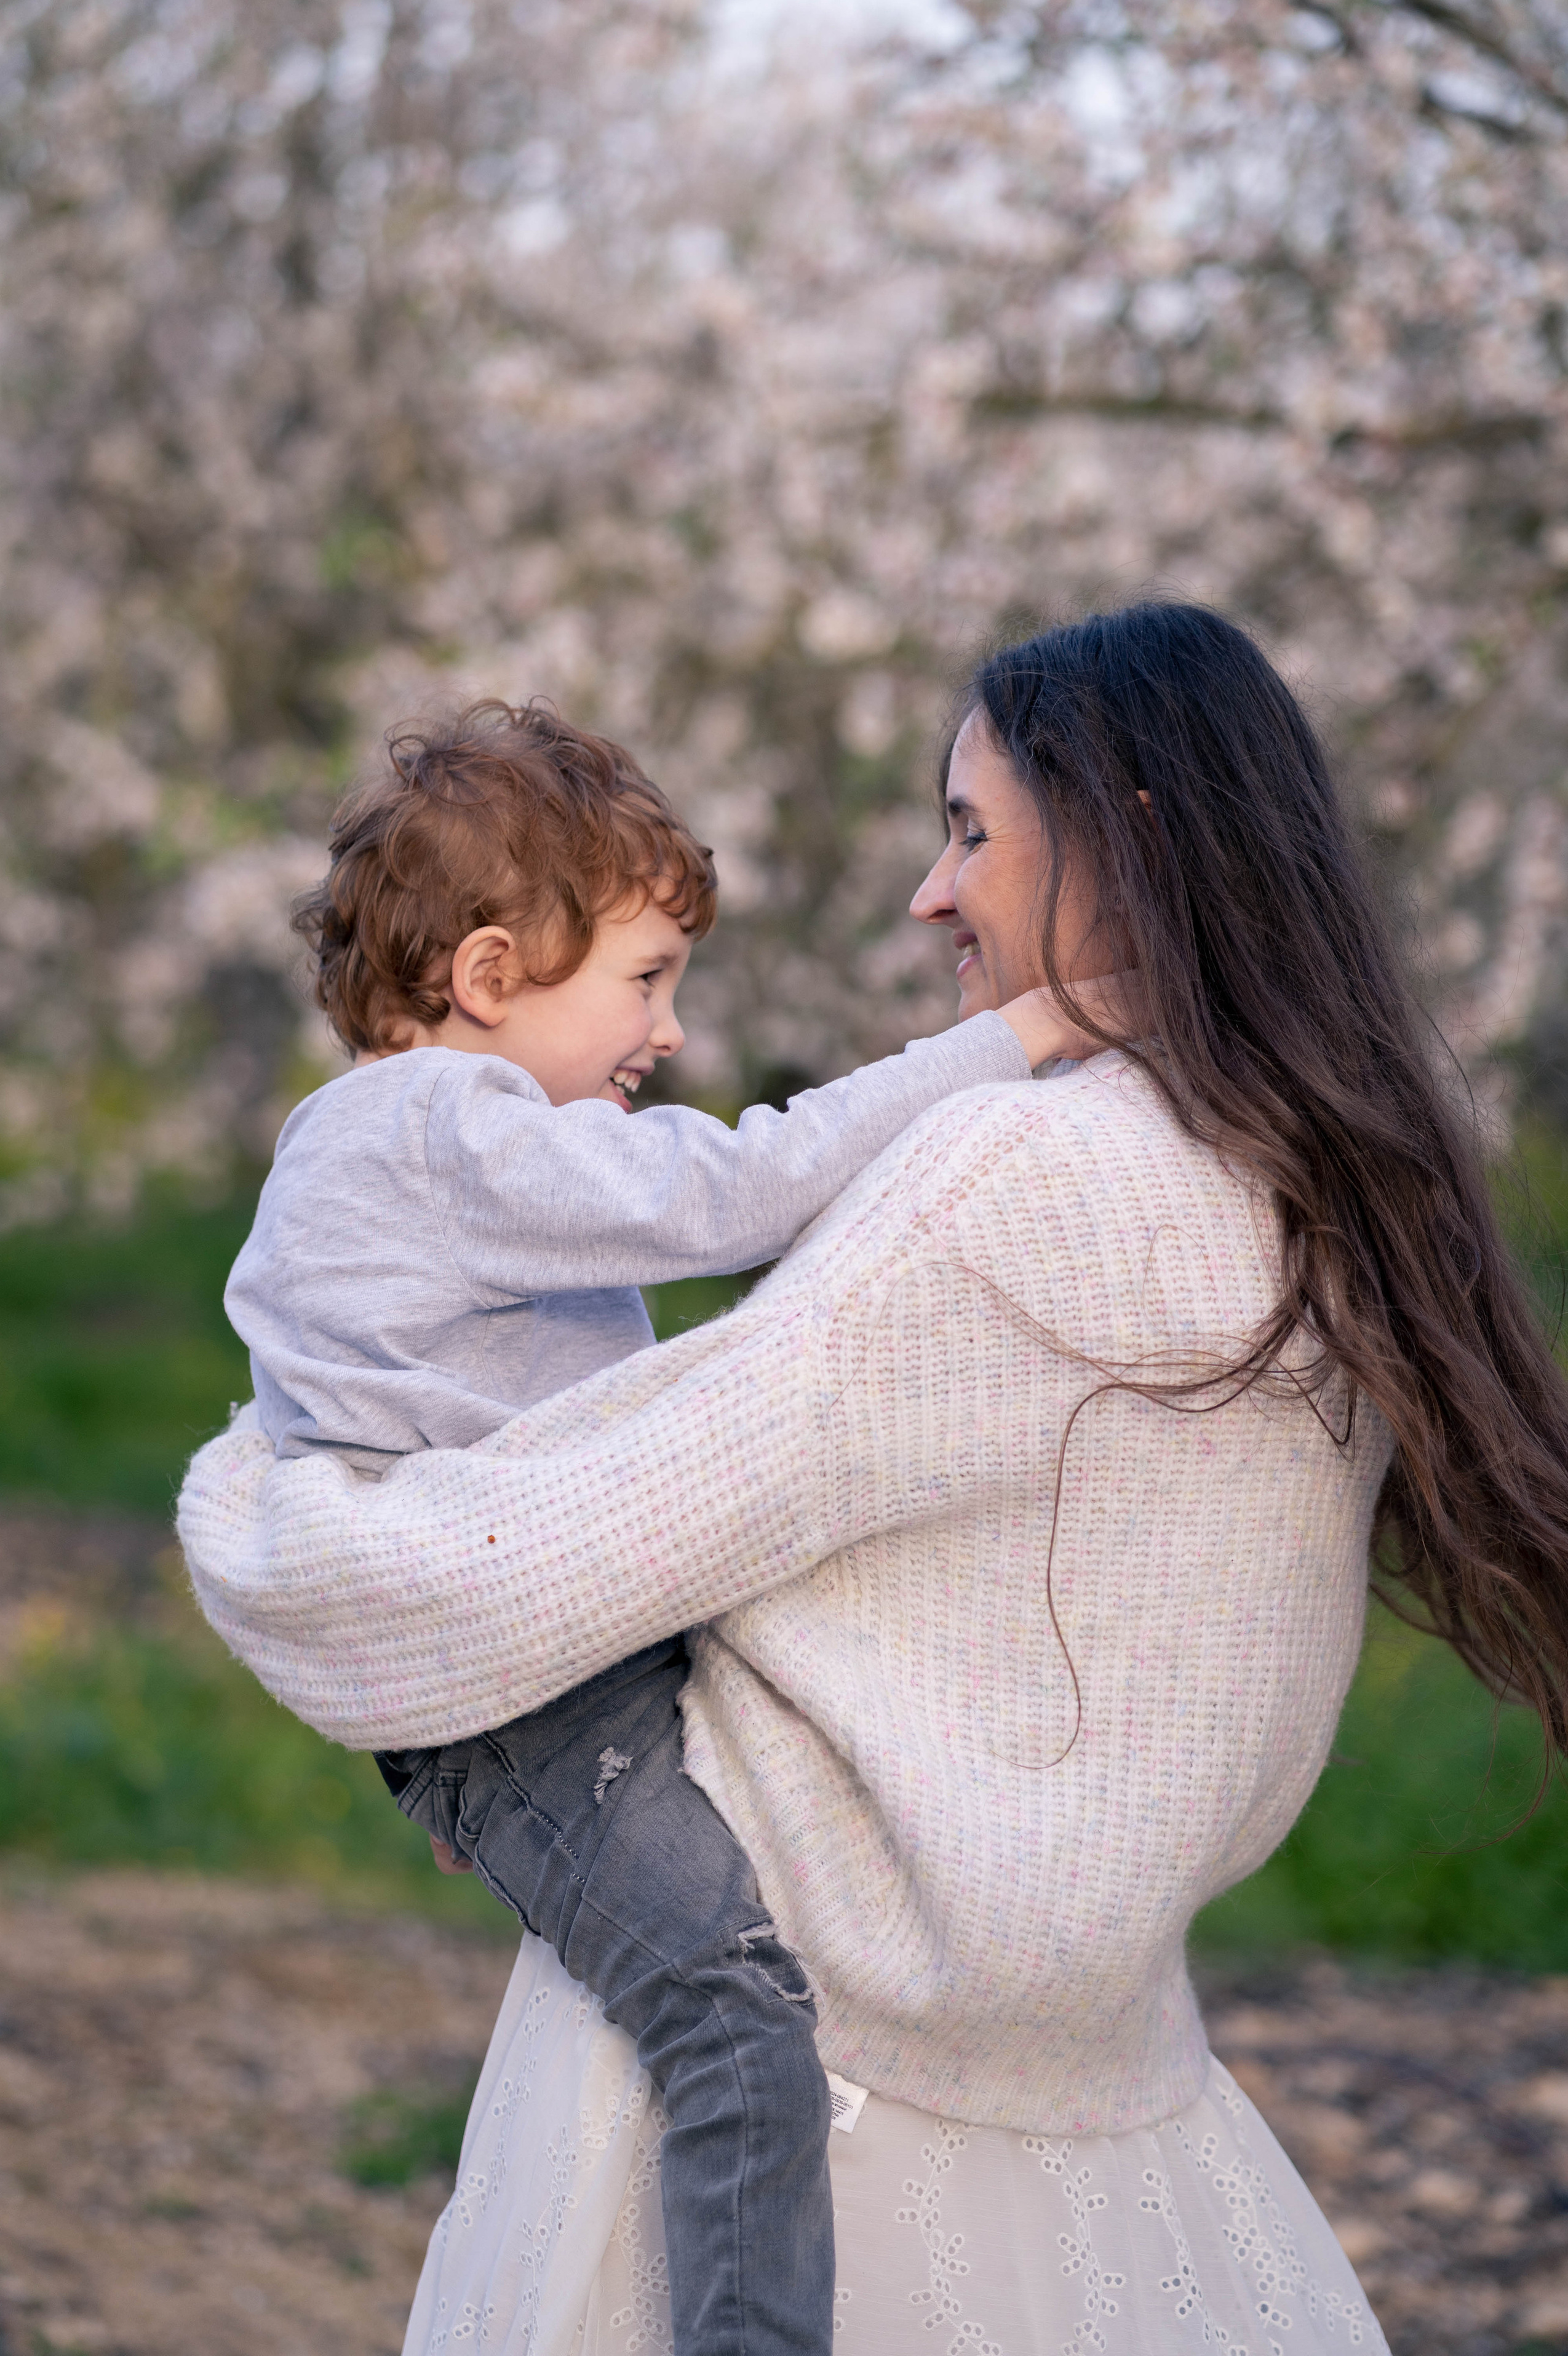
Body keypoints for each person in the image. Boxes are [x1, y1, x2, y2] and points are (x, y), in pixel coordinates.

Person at [181, 603, 1568, 2352]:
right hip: (1101, 2082)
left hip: (851, 2082)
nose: (928, 893)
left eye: (972, 830)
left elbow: (591, 1540)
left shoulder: (1018, 1177)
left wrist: (255, 1511)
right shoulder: (1317, 1192)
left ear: (1125, 840)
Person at [218, 694, 1100, 2356]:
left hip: (507, 1689)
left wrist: (425, 1701)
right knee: (734, 2018)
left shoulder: (348, 1148)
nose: (672, 1033)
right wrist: (1010, 1044)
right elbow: (735, 1194)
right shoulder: (444, 1125)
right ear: (487, 981)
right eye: (643, 981)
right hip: (537, 1706)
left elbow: (340, 1420)